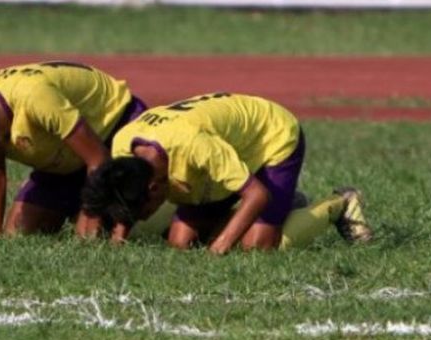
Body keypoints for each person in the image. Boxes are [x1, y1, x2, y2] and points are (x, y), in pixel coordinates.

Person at [81, 92, 373, 254]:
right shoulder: (125, 147)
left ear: (155, 189)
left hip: (270, 137)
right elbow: (126, 194)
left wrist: (217, 251)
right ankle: (283, 205)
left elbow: (255, 194)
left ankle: (339, 203)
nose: (142, 218)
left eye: (141, 212)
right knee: (180, 243)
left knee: (257, 248)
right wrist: (118, 240)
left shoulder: (194, 146)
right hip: (222, 160)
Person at [0, 61, 146, 237]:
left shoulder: (36, 99)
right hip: (64, 155)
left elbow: (98, 158)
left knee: (91, 236)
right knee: (17, 235)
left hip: (114, 129)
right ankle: (75, 200)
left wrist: (89, 217)